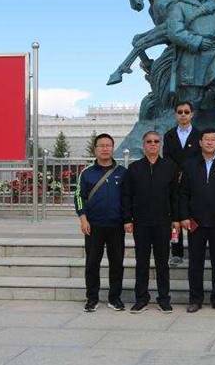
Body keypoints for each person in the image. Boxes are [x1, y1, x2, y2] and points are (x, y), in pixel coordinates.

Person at [178, 128, 215, 313]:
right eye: (206, 139)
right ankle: (195, 299)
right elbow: (183, 194)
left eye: (213, 139)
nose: (210, 142)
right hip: (195, 223)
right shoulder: (189, 165)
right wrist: (184, 216)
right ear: (200, 142)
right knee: (195, 263)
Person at [122, 131, 179, 314]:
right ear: (144, 145)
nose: (153, 144)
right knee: (142, 262)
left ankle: (164, 299)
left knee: (163, 263)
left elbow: (175, 196)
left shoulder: (170, 167)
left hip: (163, 222)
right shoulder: (134, 168)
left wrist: (176, 219)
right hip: (141, 223)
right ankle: (141, 299)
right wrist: (127, 219)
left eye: (156, 141)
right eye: (149, 141)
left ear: (160, 144)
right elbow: (127, 196)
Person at [74, 133, 127, 313]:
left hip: (116, 225)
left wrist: (128, 220)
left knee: (117, 263)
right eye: (101, 146)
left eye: (108, 145)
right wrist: (83, 219)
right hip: (93, 225)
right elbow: (79, 196)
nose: (105, 149)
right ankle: (92, 298)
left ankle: (115, 298)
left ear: (113, 148)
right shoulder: (87, 173)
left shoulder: (122, 172)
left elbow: (128, 198)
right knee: (92, 264)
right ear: (95, 149)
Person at [163, 101, 202, 267]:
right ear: (176, 115)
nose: (183, 115)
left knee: (192, 217)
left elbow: (200, 158)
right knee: (175, 218)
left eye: (186, 112)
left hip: (193, 182)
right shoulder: (169, 135)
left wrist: (187, 174)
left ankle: (195, 251)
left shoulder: (199, 135)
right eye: (180, 112)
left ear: (192, 114)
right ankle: (176, 252)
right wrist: (176, 174)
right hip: (174, 182)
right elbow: (167, 158)